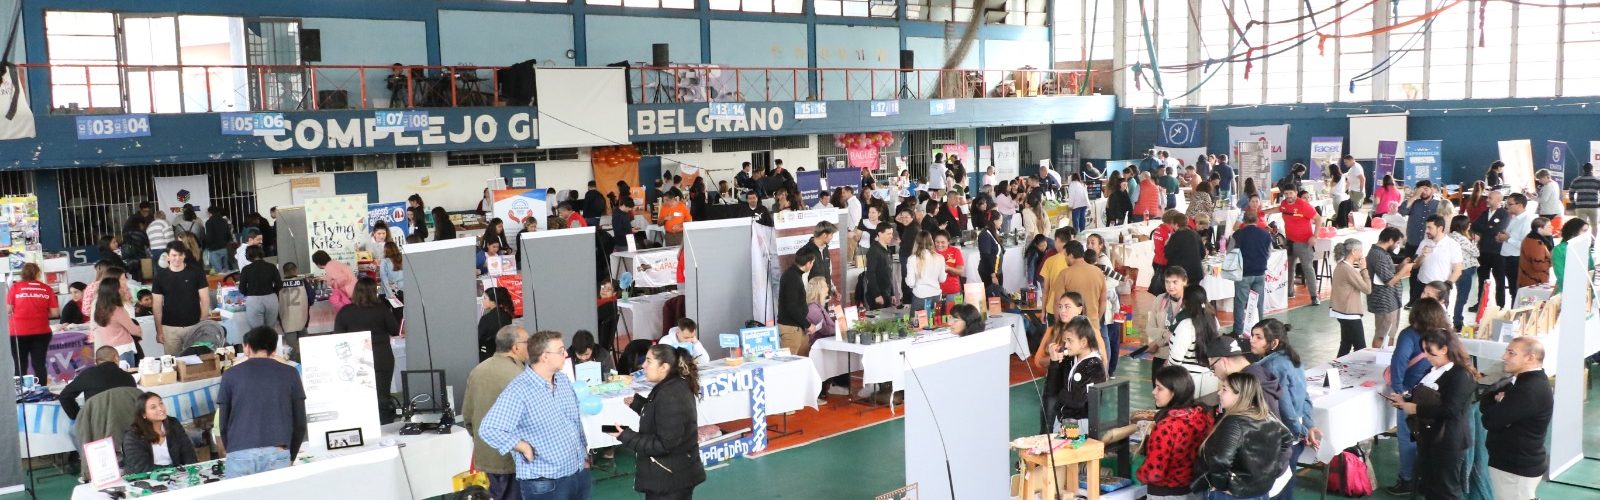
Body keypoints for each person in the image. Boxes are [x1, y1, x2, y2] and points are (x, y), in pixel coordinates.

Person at [478, 331, 591, 499]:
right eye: (561, 351)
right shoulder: (519, 390)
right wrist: (522, 446)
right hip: (546, 482)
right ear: (545, 356)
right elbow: (489, 429)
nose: (566, 354)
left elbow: (574, 421)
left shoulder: (563, 380)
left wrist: (583, 455)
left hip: (578, 472)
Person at [605, 344, 707, 499]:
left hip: (669, 482)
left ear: (664, 367)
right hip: (674, 476)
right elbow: (665, 417)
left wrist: (625, 435)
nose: (643, 365)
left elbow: (664, 444)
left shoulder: (670, 395)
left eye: (649, 361)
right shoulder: (672, 386)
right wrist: (640, 405)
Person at [1388, 328, 1479, 500]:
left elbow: (1451, 409)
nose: (1426, 356)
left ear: (1444, 349)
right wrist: (1404, 400)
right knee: (1431, 487)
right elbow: (1426, 397)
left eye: (1430, 351)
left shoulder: (1461, 375)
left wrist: (1415, 409)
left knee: (1446, 490)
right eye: (1424, 350)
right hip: (1430, 437)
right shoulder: (1434, 370)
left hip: (1448, 440)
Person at [218, 327, 307, 478]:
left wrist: (232, 449)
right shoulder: (291, 373)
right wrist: (291, 456)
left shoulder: (230, 375)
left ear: (247, 347)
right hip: (277, 450)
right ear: (274, 349)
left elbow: (223, 425)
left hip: (239, 451)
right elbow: (300, 423)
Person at [1384, 298, 1452, 495]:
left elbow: (1399, 361)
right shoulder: (1444, 334)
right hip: (1436, 394)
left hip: (1411, 393)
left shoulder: (1409, 335)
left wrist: (1399, 391)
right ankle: (1426, 477)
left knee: (1407, 438)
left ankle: (1407, 479)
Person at [1197, 372, 1294, 500]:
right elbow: (1287, 439)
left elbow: (1220, 460)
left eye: (1224, 389)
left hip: (1232, 495)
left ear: (1240, 395)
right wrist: (1270, 472)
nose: (1219, 393)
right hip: (1260, 492)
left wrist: (1222, 485)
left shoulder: (1234, 422)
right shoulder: (1265, 415)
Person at [1480, 337, 1553, 500]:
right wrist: (1499, 404)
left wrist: (1499, 405)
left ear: (1530, 358)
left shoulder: (1529, 389)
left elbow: (1490, 421)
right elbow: (1486, 400)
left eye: (1511, 353)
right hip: (1514, 464)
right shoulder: (1522, 381)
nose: (1504, 357)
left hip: (1515, 469)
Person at [1249, 319, 1322, 481]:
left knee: (1279, 484)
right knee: (1288, 479)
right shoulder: (1292, 358)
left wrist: (1302, 432)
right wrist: (1307, 426)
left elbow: (1284, 406)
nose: (1252, 340)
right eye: (1252, 335)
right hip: (1295, 431)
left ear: (1274, 343)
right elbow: (1304, 396)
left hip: (1285, 434)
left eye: (1259, 337)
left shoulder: (1271, 366)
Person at [463, 325, 531, 500]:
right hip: (513, 457)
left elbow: (468, 415)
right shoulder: (521, 376)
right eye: (527, 342)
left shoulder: (477, 371)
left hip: (486, 456)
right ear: (515, 347)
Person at [1133, 365, 1215, 499]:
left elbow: (1154, 473)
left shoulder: (1167, 427)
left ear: (1175, 392)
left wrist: (1139, 473)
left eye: (1159, 388)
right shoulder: (1203, 415)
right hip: (1196, 490)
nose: (1154, 392)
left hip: (1167, 493)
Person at [334, 277, 401, 422]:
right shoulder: (381, 309)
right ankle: (384, 421)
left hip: (356, 358)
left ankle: (363, 422)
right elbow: (395, 330)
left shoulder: (345, 312)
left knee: (359, 393)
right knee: (382, 393)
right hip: (381, 356)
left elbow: (338, 336)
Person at [1042, 316, 1107, 432]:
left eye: (1069, 340)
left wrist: (1059, 393)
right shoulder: (1070, 359)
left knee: (1068, 444)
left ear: (1083, 342)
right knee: (1056, 443)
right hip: (1062, 419)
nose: (1066, 345)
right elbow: (1051, 389)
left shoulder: (1094, 366)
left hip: (1080, 423)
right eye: (1065, 341)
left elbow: (1077, 401)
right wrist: (1054, 362)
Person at [152, 244, 211, 355]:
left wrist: (202, 323)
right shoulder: (160, 276)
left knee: (197, 360)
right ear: (168, 257)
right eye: (174, 255)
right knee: (173, 362)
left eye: (180, 255)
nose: (177, 258)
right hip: (170, 328)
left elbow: (205, 299)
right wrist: (159, 331)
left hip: (194, 326)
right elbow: (157, 306)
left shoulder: (196, 272)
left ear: (184, 255)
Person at [121, 392, 199, 474]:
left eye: (161, 403)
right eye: (153, 407)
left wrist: (192, 472)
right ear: (143, 414)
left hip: (177, 475)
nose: (160, 408)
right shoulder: (132, 437)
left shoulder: (173, 424)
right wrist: (174, 471)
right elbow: (141, 469)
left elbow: (188, 454)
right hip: (146, 478)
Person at [59, 346, 137, 420]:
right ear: (116, 358)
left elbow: (64, 396)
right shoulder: (128, 377)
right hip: (125, 424)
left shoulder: (88, 374)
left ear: (96, 361)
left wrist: (79, 416)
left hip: (95, 425)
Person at [1322, 238, 1371, 357]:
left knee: (1346, 344)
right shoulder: (1349, 270)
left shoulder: (1341, 266)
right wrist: (1364, 269)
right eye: (1360, 251)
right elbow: (1367, 289)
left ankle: (1337, 366)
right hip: (1349, 313)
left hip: (1341, 311)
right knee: (1360, 347)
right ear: (1354, 251)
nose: (1362, 254)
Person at [7, 263, 55, 378]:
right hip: (41, 331)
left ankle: (21, 389)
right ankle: (42, 388)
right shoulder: (46, 288)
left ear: (23, 273)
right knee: (39, 364)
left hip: (18, 332)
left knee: (20, 365)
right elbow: (55, 313)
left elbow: (8, 309)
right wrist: (40, 313)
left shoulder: (15, 288)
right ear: (38, 273)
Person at [1170, 286, 1220, 395]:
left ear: (1185, 302)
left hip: (1186, 383)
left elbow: (1175, 361)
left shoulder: (1186, 326)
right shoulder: (1214, 320)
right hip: (1209, 382)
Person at [1398, 180, 1442, 305]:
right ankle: (1413, 300)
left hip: (1430, 245)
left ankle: (1430, 300)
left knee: (1430, 272)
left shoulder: (1438, 204)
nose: (1424, 191)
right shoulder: (1414, 203)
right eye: (1421, 189)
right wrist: (1415, 196)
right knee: (1414, 273)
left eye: (1426, 189)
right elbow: (1402, 211)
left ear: (1432, 190)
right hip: (1413, 243)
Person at [1145, 267, 1188, 384]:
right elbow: (1150, 329)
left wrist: (1158, 340)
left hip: (1181, 358)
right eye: (1167, 282)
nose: (1170, 286)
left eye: (1175, 282)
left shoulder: (1190, 302)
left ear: (1184, 281)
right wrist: (1165, 334)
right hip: (1161, 355)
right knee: (1158, 389)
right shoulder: (1160, 299)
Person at [1230, 211, 1271, 334]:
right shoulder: (1265, 234)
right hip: (1260, 272)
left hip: (1244, 273)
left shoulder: (1238, 235)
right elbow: (1269, 253)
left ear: (1244, 221)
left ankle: (1238, 330)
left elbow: (1230, 252)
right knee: (1258, 303)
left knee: (1240, 303)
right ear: (1257, 221)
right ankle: (1261, 329)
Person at [1416, 215, 1465, 316]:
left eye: (1430, 228)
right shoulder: (1424, 242)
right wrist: (1422, 255)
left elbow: (1458, 270)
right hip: (1422, 285)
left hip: (1440, 288)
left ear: (1440, 228)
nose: (1426, 231)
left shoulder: (1452, 245)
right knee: (1420, 316)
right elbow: (1415, 265)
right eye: (1426, 227)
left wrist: (1446, 286)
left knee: (1436, 317)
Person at [1279, 188, 1321, 304]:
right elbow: (1278, 209)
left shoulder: (1304, 205)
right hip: (1290, 242)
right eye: (1286, 193)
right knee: (1289, 268)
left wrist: (1315, 236)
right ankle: (1289, 292)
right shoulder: (1284, 204)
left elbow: (1318, 219)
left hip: (1304, 243)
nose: (1288, 195)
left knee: (1308, 268)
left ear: (1296, 193)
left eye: (1290, 193)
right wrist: (1262, 211)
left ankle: (1314, 296)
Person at [1059, 241, 1106, 341]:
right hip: (1093, 325)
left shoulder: (1064, 274)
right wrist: (1097, 319)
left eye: (1065, 255)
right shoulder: (1098, 272)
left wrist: (1060, 326)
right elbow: (1103, 301)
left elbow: (1057, 301)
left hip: (1072, 327)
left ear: (1071, 255)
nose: (1065, 258)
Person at [1471, 191, 1509, 308]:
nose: (1487, 200)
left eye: (1490, 198)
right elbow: (1474, 226)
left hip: (1498, 252)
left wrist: (1486, 229)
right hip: (1484, 251)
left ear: (1498, 200)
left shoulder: (1504, 214)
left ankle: (1500, 305)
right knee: (1482, 279)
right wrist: (1489, 227)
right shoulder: (1485, 212)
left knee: (1499, 280)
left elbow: (1498, 229)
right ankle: (1480, 303)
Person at [89, 276, 140, 364]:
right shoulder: (117, 310)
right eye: (120, 288)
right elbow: (135, 331)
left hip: (108, 350)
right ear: (114, 291)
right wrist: (139, 329)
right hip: (123, 349)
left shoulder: (99, 309)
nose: (123, 290)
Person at [1497, 193, 1535, 305]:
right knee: (1512, 288)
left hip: (1516, 258)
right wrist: (1502, 237)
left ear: (1520, 205)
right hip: (1507, 256)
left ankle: (1517, 311)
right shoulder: (1514, 218)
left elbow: (1526, 244)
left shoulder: (1527, 221)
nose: (1507, 206)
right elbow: (1511, 236)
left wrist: (1507, 239)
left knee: (1517, 289)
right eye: (1506, 203)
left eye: (1510, 204)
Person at [1446, 215, 1480, 329]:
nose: (1470, 225)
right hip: (1464, 270)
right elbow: (1476, 253)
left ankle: (1452, 319)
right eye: (1468, 223)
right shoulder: (1461, 238)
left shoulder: (1450, 236)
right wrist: (1475, 242)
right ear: (1462, 225)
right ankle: (1458, 322)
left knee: (1458, 296)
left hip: (1457, 269)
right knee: (1462, 297)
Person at [237, 245, 282, 331]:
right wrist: (273, 292)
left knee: (257, 331)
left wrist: (249, 293)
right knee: (270, 330)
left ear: (248, 255)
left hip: (254, 300)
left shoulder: (246, 269)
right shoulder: (271, 266)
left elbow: (241, 288)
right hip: (271, 298)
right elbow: (279, 284)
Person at [778, 252, 815, 355]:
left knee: (803, 360)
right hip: (791, 329)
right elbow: (791, 307)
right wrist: (807, 324)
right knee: (789, 361)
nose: (812, 265)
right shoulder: (792, 278)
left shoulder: (795, 275)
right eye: (812, 263)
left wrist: (804, 324)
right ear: (808, 263)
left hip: (798, 327)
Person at [904, 232, 944, 320]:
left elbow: (910, 283)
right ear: (931, 241)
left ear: (916, 242)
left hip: (920, 297)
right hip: (936, 296)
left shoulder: (912, 259)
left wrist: (906, 279)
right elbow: (942, 279)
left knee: (916, 325)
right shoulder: (940, 257)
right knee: (935, 324)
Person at [1553, 218, 1593, 294]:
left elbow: (1591, 269)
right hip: (1566, 291)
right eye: (1584, 230)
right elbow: (1561, 275)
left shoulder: (1585, 247)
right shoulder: (1559, 249)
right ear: (1574, 231)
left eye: (1587, 231)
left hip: (1583, 290)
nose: (1586, 234)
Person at [1164, 211, 1206, 283]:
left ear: (1176, 224)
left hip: (1181, 274)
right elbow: (1203, 254)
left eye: (1172, 224)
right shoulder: (1195, 234)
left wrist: (1166, 245)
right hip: (1196, 273)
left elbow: (1168, 254)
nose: (1172, 226)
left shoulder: (1175, 236)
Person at [1147, 211, 1181, 296]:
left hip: (1158, 260)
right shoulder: (1167, 231)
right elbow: (1168, 248)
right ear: (1173, 220)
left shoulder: (1160, 228)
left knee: (1162, 290)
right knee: (1164, 290)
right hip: (1163, 262)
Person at [478, 287, 516, 361]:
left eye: (485, 298)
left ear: (493, 301)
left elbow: (479, 339)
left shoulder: (486, 318)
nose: (483, 301)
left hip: (488, 356)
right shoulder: (507, 315)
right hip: (505, 354)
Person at [1517, 217, 1554, 289]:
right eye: (1549, 226)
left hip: (1535, 281)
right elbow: (1539, 266)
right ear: (1540, 229)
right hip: (1532, 283)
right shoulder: (1535, 243)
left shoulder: (1536, 239)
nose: (1552, 228)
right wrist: (1553, 260)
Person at [976, 216, 1003, 297]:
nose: (1001, 222)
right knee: (992, 297)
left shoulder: (992, 232)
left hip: (997, 270)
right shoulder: (985, 235)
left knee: (999, 295)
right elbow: (986, 256)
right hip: (990, 272)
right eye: (1000, 220)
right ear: (994, 221)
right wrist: (993, 275)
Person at [202, 206, 234, 273]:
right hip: (224, 248)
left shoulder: (209, 222)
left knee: (218, 271)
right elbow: (228, 235)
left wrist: (206, 245)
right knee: (225, 270)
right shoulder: (224, 221)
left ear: (210, 213)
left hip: (214, 250)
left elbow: (209, 237)